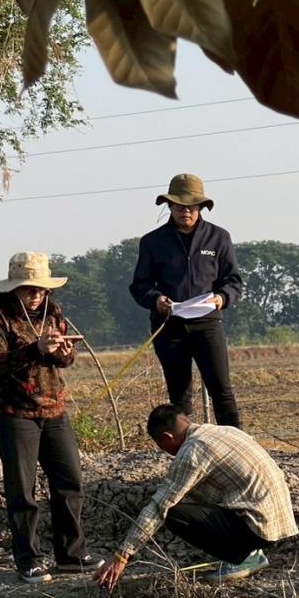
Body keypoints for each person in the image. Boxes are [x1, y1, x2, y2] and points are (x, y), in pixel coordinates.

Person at [0, 252, 104, 583]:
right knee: (23, 490)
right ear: (13, 290)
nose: (36, 295)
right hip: (15, 413)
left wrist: (64, 354)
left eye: (41, 289)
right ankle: (29, 559)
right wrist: (35, 350)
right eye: (29, 289)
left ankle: (71, 555)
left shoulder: (54, 313)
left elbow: (64, 359)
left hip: (54, 409)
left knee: (70, 481)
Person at [95, 405, 297, 589]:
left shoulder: (193, 450)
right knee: (189, 494)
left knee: (173, 513)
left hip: (257, 528)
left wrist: (122, 555)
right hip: (276, 521)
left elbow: (159, 506)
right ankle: (250, 552)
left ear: (166, 438)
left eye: (161, 446)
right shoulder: (224, 431)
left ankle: (243, 557)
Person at [130, 173, 244, 427]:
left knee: (221, 389)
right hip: (169, 325)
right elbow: (140, 285)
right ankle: (186, 448)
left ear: (201, 208)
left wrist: (222, 298)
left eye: (191, 206)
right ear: (169, 206)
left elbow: (233, 281)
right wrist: (156, 299)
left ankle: (237, 442)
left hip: (207, 322)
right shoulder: (152, 242)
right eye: (180, 205)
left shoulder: (219, 238)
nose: (186, 211)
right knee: (179, 396)